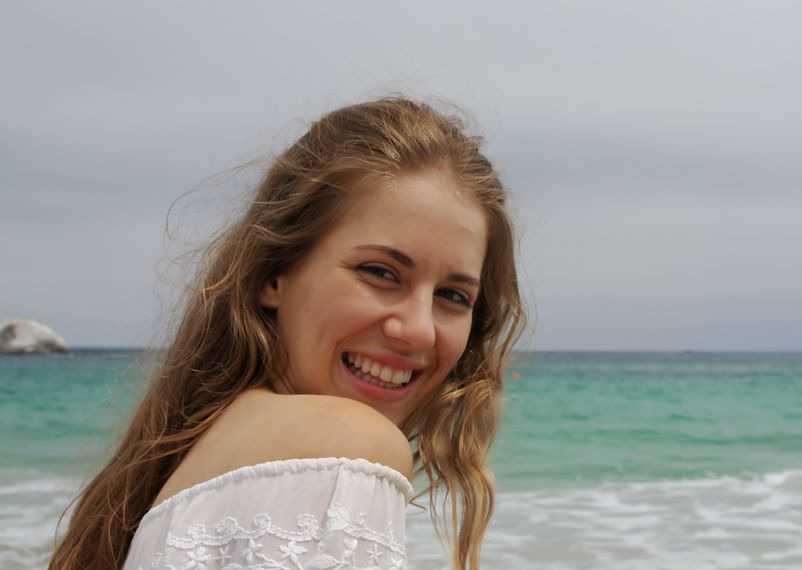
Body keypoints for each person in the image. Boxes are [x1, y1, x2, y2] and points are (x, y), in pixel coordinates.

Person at [50, 98, 526, 570]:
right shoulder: (351, 446)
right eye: (379, 272)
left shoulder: (189, 459)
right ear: (273, 275)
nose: (418, 330)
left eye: (453, 296)